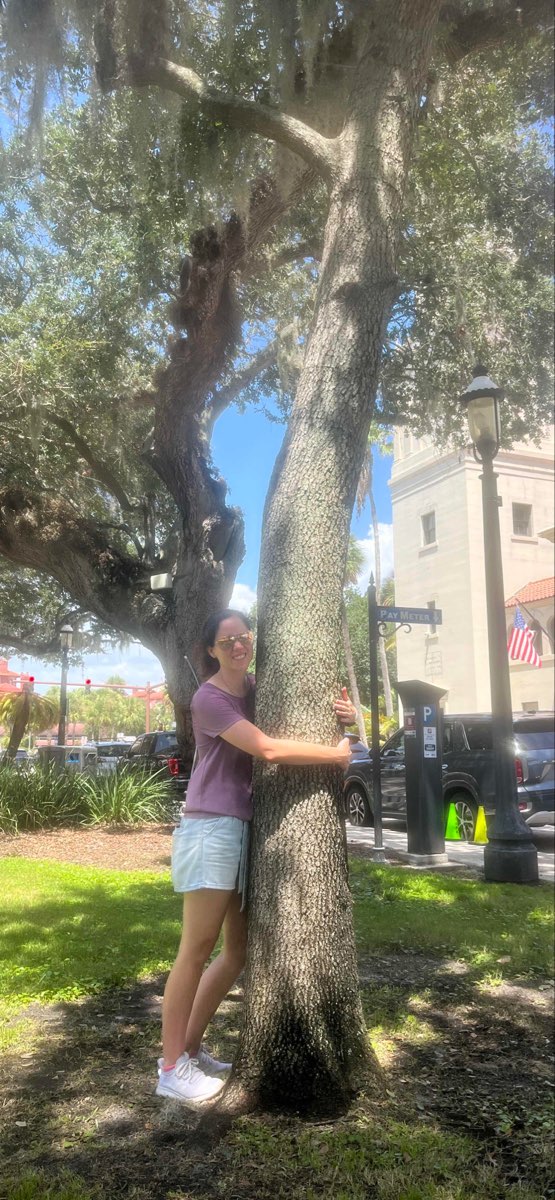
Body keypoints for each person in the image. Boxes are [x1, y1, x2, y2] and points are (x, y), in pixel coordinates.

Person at [156, 608, 356, 1105]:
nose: (238, 645)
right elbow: (266, 749)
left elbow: (299, 713)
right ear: (211, 650)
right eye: (226, 641)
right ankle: (170, 1067)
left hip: (240, 829)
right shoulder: (209, 698)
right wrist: (337, 754)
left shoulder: (256, 690)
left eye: (243, 636)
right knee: (196, 948)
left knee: (237, 951)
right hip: (211, 827)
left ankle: (191, 1050)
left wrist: (344, 714)